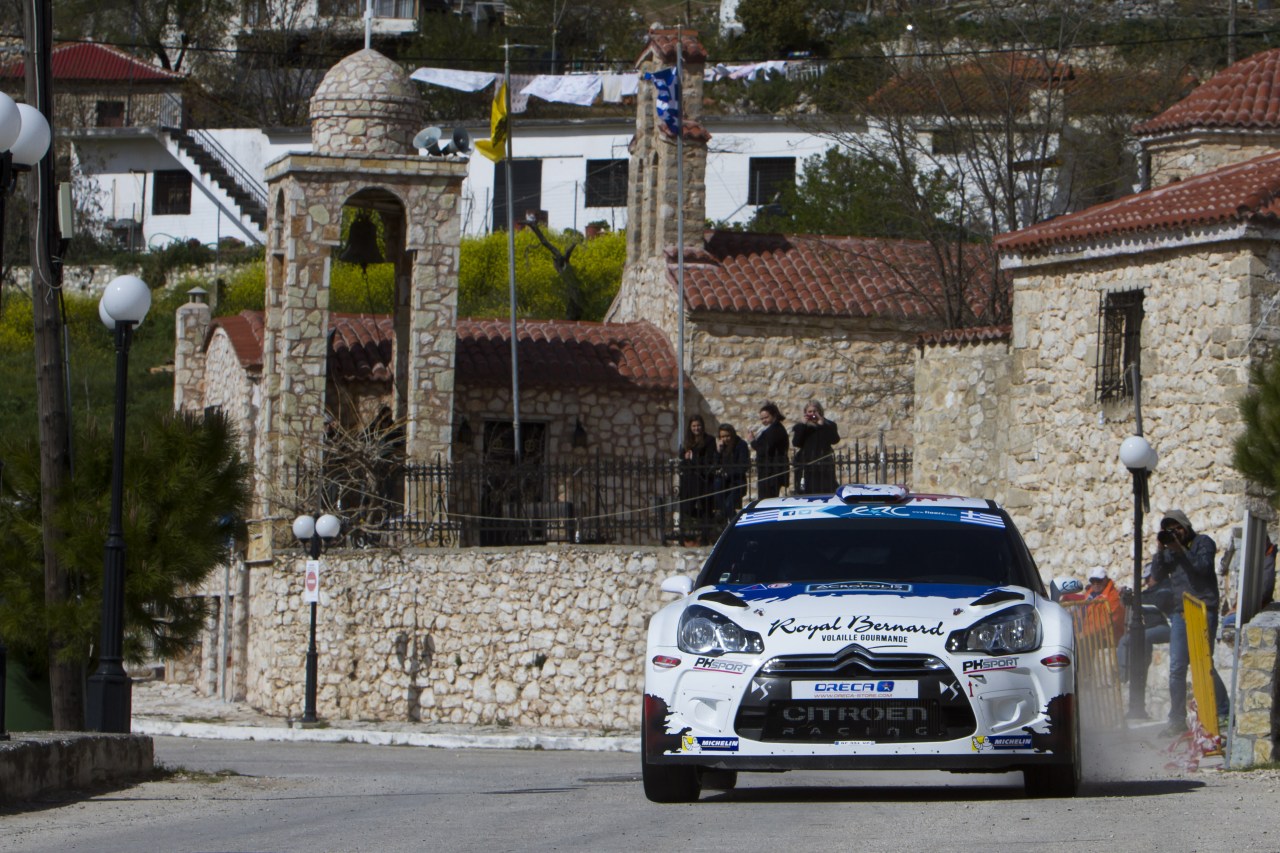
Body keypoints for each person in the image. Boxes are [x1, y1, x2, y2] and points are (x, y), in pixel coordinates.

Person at [1151, 508, 1230, 736]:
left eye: (1176, 528)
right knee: (1176, 668)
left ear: (1185, 527)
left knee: (1203, 664)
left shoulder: (1203, 543)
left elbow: (1203, 568)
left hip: (1204, 609)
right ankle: (1176, 720)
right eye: (1168, 530)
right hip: (1180, 613)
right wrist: (1160, 548)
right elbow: (1156, 574)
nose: (1174, 533)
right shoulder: (1171, 551)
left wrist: (1180, 551)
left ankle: (1222, 712)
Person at [1117, 563, 1172, 684]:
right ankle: (1122, 678)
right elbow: (1139, 601)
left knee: (1144, 636)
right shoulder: (1148, 592)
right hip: (1151, 628)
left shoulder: (1167, 589)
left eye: (1148, 578)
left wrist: (1135, 601)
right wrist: (1127, 598)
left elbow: (1157, 604)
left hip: (1166, 627)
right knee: (1124, 640)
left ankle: (1140, 674)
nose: (1146, 581)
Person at [678, 415, 715, 544]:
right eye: (694, 426)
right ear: (690, 427)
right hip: (689, 480)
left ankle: (705, 537)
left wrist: (693, 459)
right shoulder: (688, 442)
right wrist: (686, 458)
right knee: (686, 508)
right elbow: (682, 461)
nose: (696, 428)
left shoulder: (709, 440)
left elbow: (709, 460)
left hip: (703, 479)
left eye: (698, 426)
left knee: (705, 508)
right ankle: (684, 536)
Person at [791, 400, 840, 495]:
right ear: (806, 413)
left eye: (815, 411)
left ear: (820, 412)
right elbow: (796, 442)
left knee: (825, 489)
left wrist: (822, 425)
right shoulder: (801, 426)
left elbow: (835, 440)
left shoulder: (829, 425)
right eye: (810, 412)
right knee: (806, 490)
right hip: (806, 463)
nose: (812, 414)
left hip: (824, 464)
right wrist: (803, 425)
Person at [748, 402, 790, 499]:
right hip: (768, 470)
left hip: (771, 472)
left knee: (767, 499)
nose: (764, 421)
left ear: (774, 416)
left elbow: (764, 449)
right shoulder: (772, 429)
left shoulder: (775, 430)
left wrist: (752, 441)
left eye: (766, 417)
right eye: (762, 419)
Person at [712, 423, 750, 526]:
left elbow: (744, 466)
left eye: (727, 436)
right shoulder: (721, 447)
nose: (725, 439)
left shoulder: (741, 445)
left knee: (729, 504)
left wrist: (728, 472)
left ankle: (732, 524)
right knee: (722, 501)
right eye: (722, 437)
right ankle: (730, 525)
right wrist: (718, 451)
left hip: (737, 483)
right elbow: (715, 465)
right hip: (724, 484)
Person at [1083, 566, 1127, 644]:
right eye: (1093, 581)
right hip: (1090, 633)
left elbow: (1105, 623)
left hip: (1107, 637)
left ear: (1105, 580)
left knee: (1079, 643)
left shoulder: (1113, 598)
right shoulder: (1089, 594)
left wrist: (1083, 633)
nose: (1096, 584)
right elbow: (1081, 614)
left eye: (1099, 581)